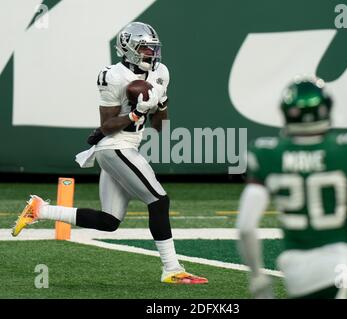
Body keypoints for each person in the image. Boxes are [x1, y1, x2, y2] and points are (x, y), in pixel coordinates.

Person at [11, 21, 208, 285]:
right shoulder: (113, 75)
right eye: (145, 49)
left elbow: (161, 127)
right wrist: (137, 111)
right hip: (114, 146)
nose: (151, 54)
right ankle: (172, 269)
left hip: (128, 147)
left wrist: (160, 102)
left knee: (110, 221)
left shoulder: (161, 72)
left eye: (153, 49)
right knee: (159, 201)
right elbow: (107, 125)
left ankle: (41, 210)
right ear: (128, 50)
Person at [236, 77, 347, 299]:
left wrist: (257, 278)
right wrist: (346, 240)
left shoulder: (267, 154)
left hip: (298, 274)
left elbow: (246, 227)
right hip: (340, 268)